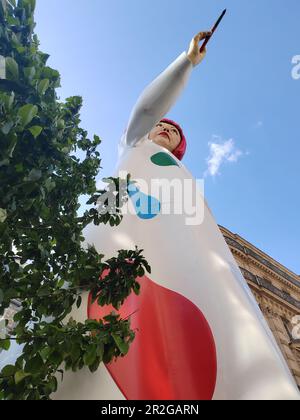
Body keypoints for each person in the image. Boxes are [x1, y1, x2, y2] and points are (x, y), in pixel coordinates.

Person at [55, 30, 300, 401]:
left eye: (173, 131)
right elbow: (148, 109)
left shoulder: (180, 175)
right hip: (118, 243)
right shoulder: (134, 146)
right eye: (164, 125)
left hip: (169, 264)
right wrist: (186, 63)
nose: (166, 128)